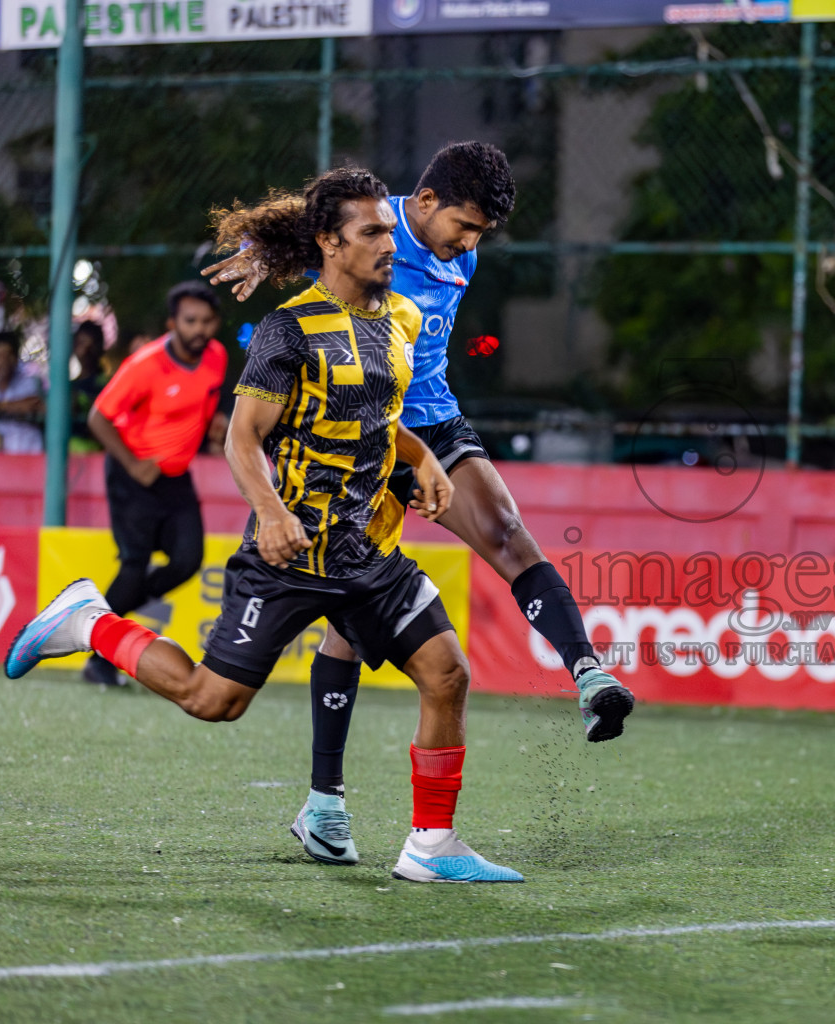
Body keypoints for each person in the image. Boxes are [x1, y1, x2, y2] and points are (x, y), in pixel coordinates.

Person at [4, 166, 522, 884]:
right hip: (290, 552)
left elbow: (382, 418)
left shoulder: (400, 321)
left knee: (446, 674)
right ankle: (89, 621)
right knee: (211, 701)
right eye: (371, 231)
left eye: (386, 228)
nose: (387, 243)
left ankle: (431, 845)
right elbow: (242, 438)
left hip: (368, 554)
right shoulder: (288, 330)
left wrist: (423, 456)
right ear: (329, 244)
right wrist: (272, 512)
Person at [204, 142, 634, 866]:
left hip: (428, 421)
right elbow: (313, 234)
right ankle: (325, 804)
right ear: (425, 204)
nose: (470, 246)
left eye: (481, 236)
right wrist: (261, 245)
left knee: (506, 532)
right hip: (359, 435)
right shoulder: (368, 233)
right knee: (348, 616)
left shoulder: (458, 250)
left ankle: (587, 673)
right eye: (465, 227)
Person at [81, 282, 228, 687]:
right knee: (134, 567)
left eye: (206, 321)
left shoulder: (216, 356)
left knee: (187, 560)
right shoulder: (145, 364)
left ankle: (103, 623)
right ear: (172, 323)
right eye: (190, 321)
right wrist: (133, 463)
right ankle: (99, 656)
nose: (199, 329)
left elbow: (203, 403)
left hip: (177, 478)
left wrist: (213, 428)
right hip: (133, 477)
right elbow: (97, 417)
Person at [69, 320, 107, 451]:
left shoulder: (106, 384)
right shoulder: (70, 385)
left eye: (90, 346)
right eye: (80, 344)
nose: (84, 351)